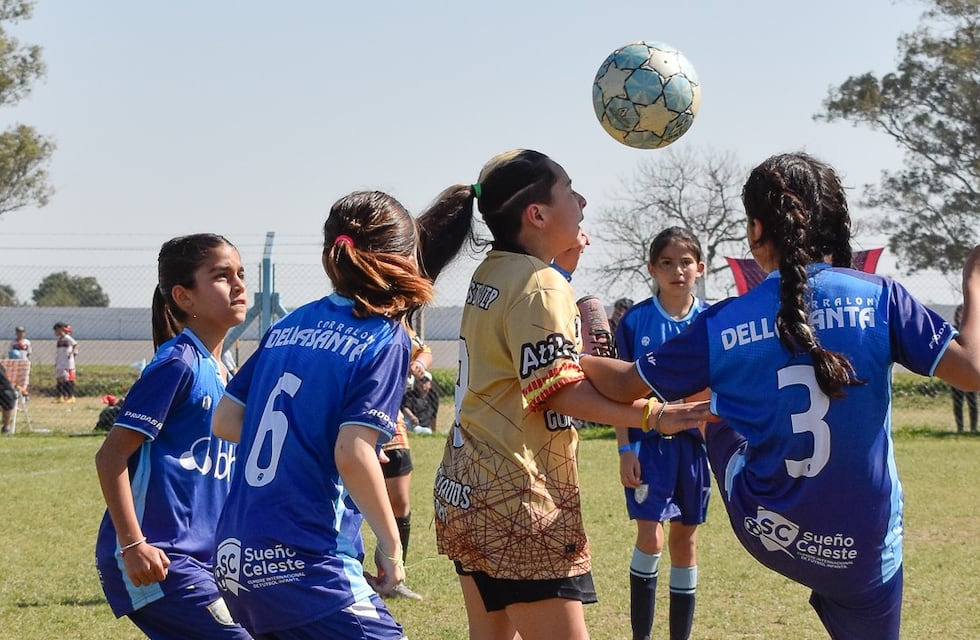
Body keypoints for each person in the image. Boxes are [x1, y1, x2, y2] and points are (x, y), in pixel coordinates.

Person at [580, 151, 980, 640]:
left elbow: (620, 385)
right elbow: (973, 371)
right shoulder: (882, 297)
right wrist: (973, 283)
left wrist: (573, 352)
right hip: (864, 548)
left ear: (755, 230)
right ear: (832, 222)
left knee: (716, 404)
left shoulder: (723, 320)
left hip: (769, 526)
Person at [419, 149, 711, 640]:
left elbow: (537, 365)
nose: (582, 201)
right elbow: (559, 392)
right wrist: (653, 417)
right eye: (570, 191)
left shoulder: (493, 270)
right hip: (519, 502)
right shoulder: (541, 284)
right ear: (537, 214)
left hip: (465, 491)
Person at [210, 190, 436, 640]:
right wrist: (392, 549)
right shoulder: (383, 336)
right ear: (406, 257)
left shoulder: (289, 325)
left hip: (238, 555)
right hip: (307, 561)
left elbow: (226, 421)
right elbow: (352, 454)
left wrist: (304, 440)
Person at [94, 233, 250, 639]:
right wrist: (133, 546)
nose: (238, 285)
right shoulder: (177, 365)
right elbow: (110, 457)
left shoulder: (224, 372)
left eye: (240, 273)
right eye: (221, 275)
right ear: (184, 297)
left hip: (208, 559)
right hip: (160, 558)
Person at [613, 227, 709, 640]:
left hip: (693, 448)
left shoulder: (711, 320)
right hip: (648, 446)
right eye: (667, 263)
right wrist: (625, 448)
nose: (677, 270)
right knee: (650, 537)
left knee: (685, 542)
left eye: (686, 262)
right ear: (652, 268)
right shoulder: (636, 321)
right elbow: (617, 392)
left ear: (700, 269)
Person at [379, 326, 433, 602]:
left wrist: (418, 365)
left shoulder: (398, 323)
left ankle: (393, 576)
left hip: (389, 421)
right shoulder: (346, 316)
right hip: (348, 420)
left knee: (399, 501)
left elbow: (424, 350)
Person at [950, 304, 978, 433]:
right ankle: (960, 428)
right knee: (958, 402)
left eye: (963, 313)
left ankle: (973, 428)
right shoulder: (953, 331)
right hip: (955, 370)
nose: (960, 316)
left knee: (973, 401)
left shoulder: (974, 332)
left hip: (970, 371)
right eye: (959, 314)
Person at [401, 370, 440, 435]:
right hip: (411, 423)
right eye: (420, 381)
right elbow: (405, 408)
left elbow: (434, 416)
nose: (422, 384)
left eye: (425, 381)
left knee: (428, 431)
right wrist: (412, 417)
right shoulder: (410, 395)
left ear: (430, 384)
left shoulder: (433, 396)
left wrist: (434, 432)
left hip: (424, 425)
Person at [52, 321, 78, 403]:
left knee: (68, 379)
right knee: (59, 380)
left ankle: (71, 396)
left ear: (61, 329)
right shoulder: (59, 340)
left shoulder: (67, 337)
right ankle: (60, 396)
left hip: (67, 363)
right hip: (60, 362)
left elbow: (75, 344)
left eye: (56, 330)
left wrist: (72, 353)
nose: (55, 332)